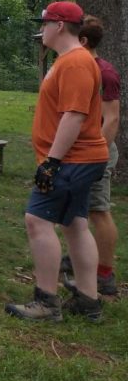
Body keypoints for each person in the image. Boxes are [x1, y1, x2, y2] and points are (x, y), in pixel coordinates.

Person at [6, 1, 109, 322]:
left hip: (72, 160)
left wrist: (52, 161)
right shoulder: (71, 60)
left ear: (60, 25)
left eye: (46, 24)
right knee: (76, 224)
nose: (43, 30)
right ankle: (88, 301)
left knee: (37, 221)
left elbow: (74, 116)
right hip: (80, 159)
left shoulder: (75, 62)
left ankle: (47, 302)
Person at [58, 15, 120, 295]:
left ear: (82, 41)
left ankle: (104, 273)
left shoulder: (104, 71)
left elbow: (112, 119)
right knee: (77, 209)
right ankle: (80, 258)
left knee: (98, 210)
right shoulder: (76, 66)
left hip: (97, 152)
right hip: (78, 151)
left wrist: (99, 154)